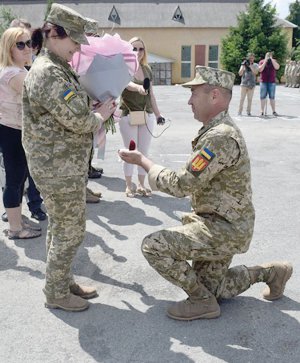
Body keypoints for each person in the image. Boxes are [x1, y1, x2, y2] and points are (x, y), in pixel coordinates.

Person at [118, 66, 293, 321]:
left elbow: (181, 184)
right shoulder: (216, 130)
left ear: (214, 96)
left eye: (194, 94)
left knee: (153, 246)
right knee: (216, 289)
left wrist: (143, 161)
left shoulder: (220, 136)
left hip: (223, 228)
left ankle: (201, 302)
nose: (189, 100)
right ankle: (270, 273)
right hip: (222, 223)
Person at [22, 3, 116, 311]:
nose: (77, 47)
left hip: (63, 164)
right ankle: (57, 293)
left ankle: (61, 282)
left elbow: (72, 109)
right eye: (74, 40)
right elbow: (78, 120)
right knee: (71, 231)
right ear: (54, 34)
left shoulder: (58, 66)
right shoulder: (48, 72)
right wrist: (101, 115)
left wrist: (92, 109)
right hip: (57, 167)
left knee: (61, 228)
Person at [0, 27, 41, 239]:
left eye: (29, 42)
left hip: (18, 130)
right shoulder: (12, 73)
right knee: (15, 180)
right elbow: (39, 95)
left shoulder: (21, 70)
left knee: (20, 178)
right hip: (12, 131)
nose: (28, 48)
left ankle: (17, 219)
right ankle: (15, 229)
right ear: (9, 48)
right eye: (21, 44)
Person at [119, 36, 164, 197]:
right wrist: (138, 88)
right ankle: (128, 184)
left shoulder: (147, 70)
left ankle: (141, 185)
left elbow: (151, 94)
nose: (137, 52)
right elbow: (126, 84)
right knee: (131, 151)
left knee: (143, 153)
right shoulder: (123, 68)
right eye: (134, 48)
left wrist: (158, 115)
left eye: (141, 49)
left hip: (146, 115)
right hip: (128, 115)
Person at [258, 51, 280, 116]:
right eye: (267, 56)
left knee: (272, 97)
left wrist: (272, 59)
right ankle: (261, 111)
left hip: (272, 82)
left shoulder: (274, 61)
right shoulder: (261, 61)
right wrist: (265, 61)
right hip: (263, 81)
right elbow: (260, 70)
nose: (268, 57)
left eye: (269, 56)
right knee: (262, 97)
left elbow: (277, 67)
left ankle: (274, 111)